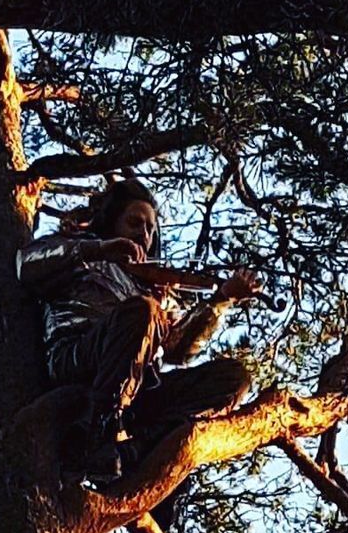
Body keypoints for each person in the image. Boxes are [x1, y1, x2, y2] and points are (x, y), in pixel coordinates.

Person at [17, 178, 261, 510]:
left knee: (233, 379)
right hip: (77, 356)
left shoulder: (151, 289)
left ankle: (136, 452)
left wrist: (220, 300)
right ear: (111, 220)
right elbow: (25, 265)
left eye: (149, 229)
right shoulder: (82, 250)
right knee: (142, 312)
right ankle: (98, 434)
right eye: (134, 223)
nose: (143, 234)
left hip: (136, 390)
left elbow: (178, 350)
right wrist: (99, 249)